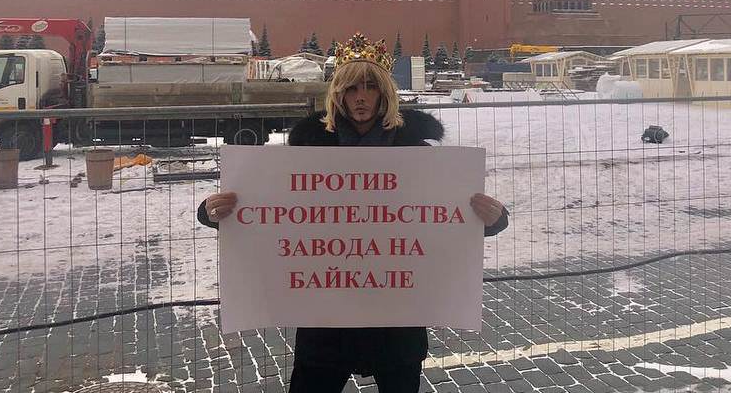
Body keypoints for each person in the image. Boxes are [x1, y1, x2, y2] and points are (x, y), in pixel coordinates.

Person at [199, 33, 509, 393]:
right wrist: (212, 212)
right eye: (351, 88)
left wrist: (493, 218)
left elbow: (443, 217)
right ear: (338, 94)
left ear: (384, 94)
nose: (360, 97)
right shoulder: (307, 150)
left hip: (396, 321)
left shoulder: (418, 152)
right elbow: (271, 211)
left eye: (370, 87)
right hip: (326, 323)